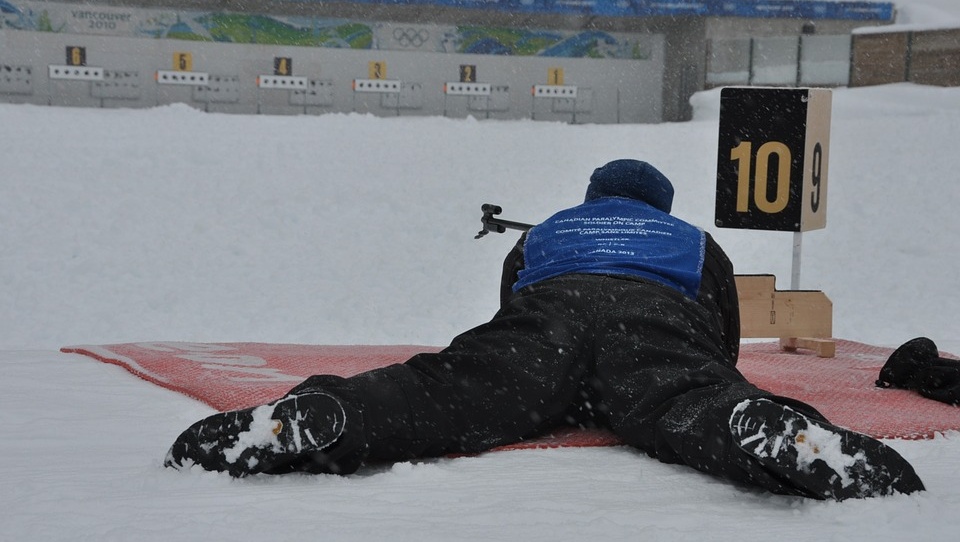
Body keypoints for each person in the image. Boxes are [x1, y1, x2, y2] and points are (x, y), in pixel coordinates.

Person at [166, 159, 924, 500]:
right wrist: (704, 370)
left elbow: (511, 307)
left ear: (593, 196)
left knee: (444, 393)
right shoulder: (692, 239)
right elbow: (718, 330)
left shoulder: (552, 230)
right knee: (693, 402)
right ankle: (766, 431)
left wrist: (527, 362)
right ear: (658, 205)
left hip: (545, 329)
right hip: (653, 330)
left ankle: (334, 416)